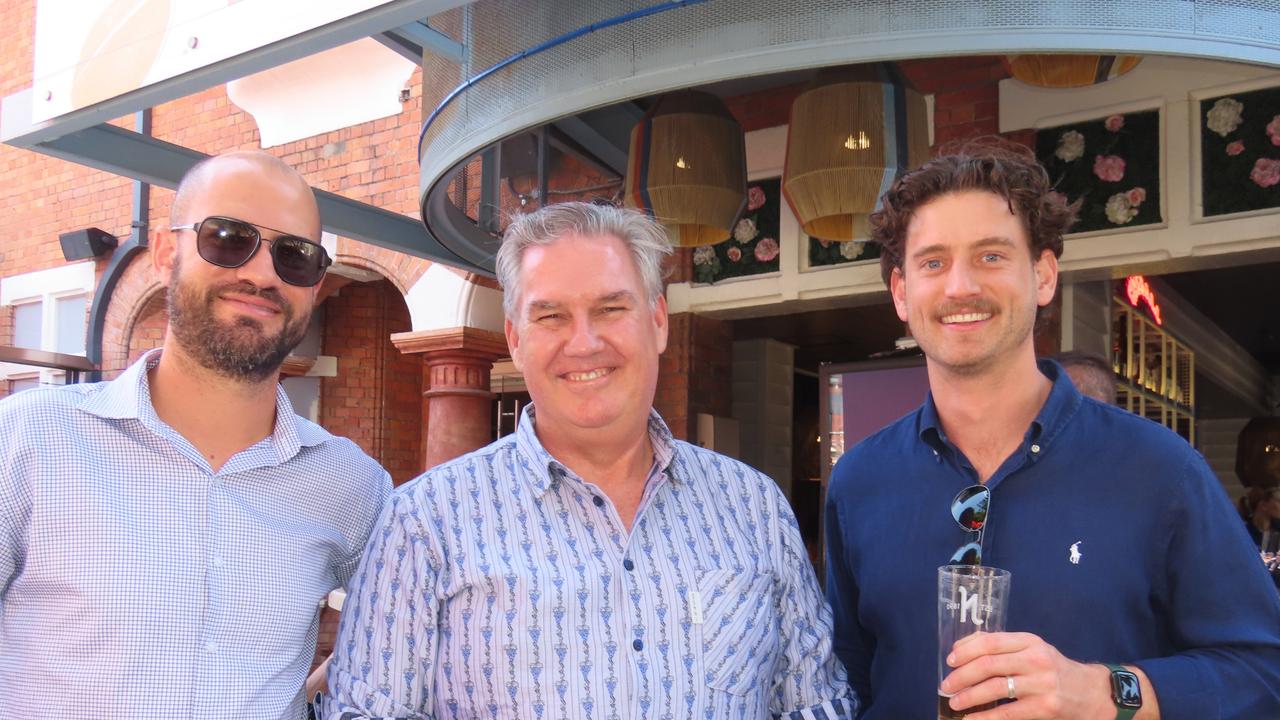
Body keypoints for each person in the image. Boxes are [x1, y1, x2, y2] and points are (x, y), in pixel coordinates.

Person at [324, 202, 855, 718]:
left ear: (659, 321)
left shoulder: (754, 506)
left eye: (610, 308)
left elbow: (815, 703)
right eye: (551, 316)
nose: (584, 343)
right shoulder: (424, 521)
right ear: (515, 339)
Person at [824, 139, 1280, 720]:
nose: (960, 286)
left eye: (991, 256)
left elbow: (1264, 672)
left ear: (1043, 277)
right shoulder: (860, 482)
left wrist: (1103, 692)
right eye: (932, 262)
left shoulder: (1158, 470)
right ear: (901, 294)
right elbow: (845, 683)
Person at [0, 151, 392, 719]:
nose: (261, 274)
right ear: (165, 253)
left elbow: (403, 642)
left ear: (314, 284)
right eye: (229, 238)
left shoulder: (352, 486)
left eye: (295, 255)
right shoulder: (29, 439)